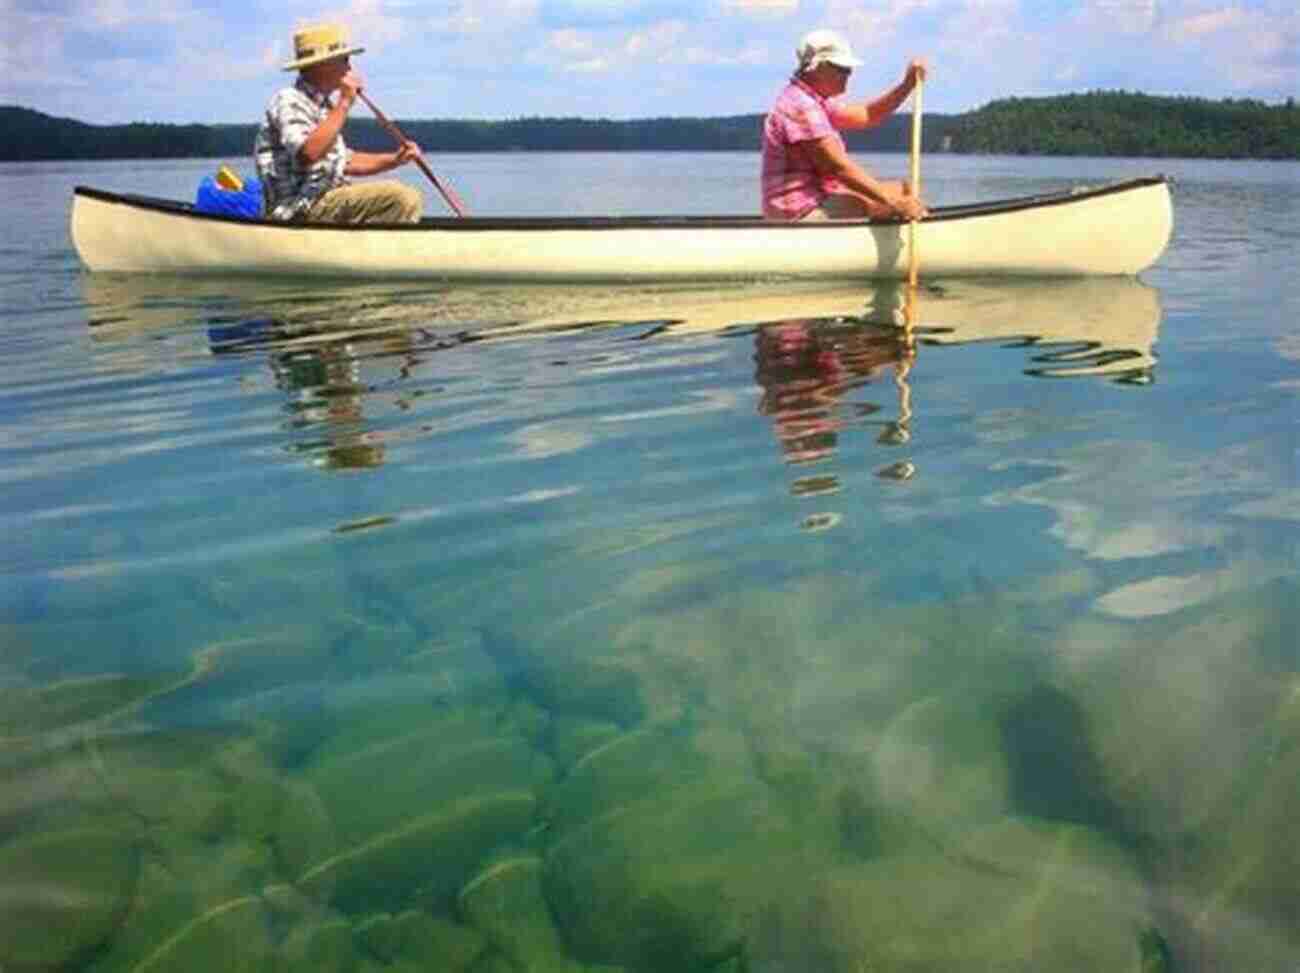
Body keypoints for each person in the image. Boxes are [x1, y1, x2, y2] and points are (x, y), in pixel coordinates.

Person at [255, 23, 423, 223]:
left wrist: (395, 159)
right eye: (344, 60)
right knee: (402, 197)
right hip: (299, 207)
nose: (350, 67)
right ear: (322, 64)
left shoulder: (324, 107)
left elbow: (345, 162)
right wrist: (344, 103)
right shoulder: (289, 100)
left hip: (323, 202)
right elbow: (307, 154)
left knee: (401, 197)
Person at [762, 29, 928, 222]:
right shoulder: (802, 106)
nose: (849, 74)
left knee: (901, 190)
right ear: (819, 66)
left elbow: (868, 115)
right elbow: (837, 168)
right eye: (842, 68)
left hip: (809, 203)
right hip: (799, 212)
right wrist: (892, 202)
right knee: (895, 196)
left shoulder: (814, 100)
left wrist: (907, 85)